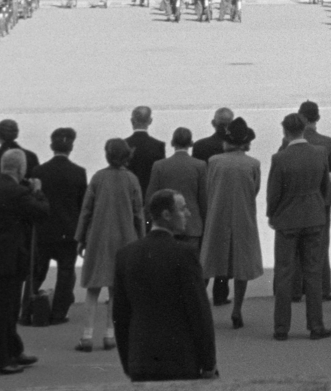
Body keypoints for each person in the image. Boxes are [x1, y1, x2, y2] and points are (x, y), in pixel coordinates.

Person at [111, 190, 219, 381]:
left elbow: (120, 315)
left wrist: (127, 362)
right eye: (183, 209)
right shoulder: (184, 254)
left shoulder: (125, 255)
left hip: (140, 358)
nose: (188, 214)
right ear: (167, 215)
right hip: (180, 358)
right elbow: (199, 312)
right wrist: (209, 362)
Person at [0, 149, 49, 377]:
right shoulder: (17, 192)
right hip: (8, 261)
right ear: (20, 168)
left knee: (6, 309)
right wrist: (38, 192)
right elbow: (42, 212)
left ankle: (13, 351)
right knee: (3, 312)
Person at [266, 112, 331, 341]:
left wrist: (272, 214)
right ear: (304, 128)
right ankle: (316, 325)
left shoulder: (280, 158)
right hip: (314, 217)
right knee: (313, 273)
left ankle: (281, 327)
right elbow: (326, 186)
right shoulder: (320, 153)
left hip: (287, 219)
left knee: (284, 273)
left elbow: (273, 193)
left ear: (285, 131)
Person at [74, 138, 144, 352]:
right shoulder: (131, 179)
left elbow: (86, 210)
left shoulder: (98, 178)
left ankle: (86, 336)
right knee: (117, 290)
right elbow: (138, 214)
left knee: (93, 288)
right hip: (124, 237)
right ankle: (110, 335)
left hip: (98, 237)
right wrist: (142, 239)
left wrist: (80, 238)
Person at [198, 117, 264, 331]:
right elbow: (255, 190)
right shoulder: (253, 164)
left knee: (209, 261)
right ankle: (237, 309)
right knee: (242, 265)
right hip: (243, 215)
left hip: (218, 215)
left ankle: (200, 308)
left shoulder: (214, 161)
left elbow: (208, 188)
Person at [284, 100, 331, 304]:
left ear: (302, 117)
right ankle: (323, 288)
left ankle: (296, 289)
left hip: (295, 198)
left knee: (296, 243)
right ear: (317, 117)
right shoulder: (327, 142)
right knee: (320, 243)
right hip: (322, 199)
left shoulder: (288, 140)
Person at [33, 128, 87, 326]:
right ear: (71, 147)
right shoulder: (79, 173)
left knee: (37, 271)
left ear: (51, 146)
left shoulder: (39, 171)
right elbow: (82, 206)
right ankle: (58, 313)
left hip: (44, 230)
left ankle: (28, 309)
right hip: (68, 230)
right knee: (66, 273)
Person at [190, 107, 234, 307]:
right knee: (224, 248)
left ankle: (200, 290)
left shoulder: (200, 146)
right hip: (227, 201)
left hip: (206, 201)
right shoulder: (234, 148)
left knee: (205, 248)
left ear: (213, 123)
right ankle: (220, 293)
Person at [147, 128, 207, 246]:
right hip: (193, 226)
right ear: (191, 143)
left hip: (166, 225)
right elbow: (204, 199)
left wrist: (149, 223)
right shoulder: (200, 165)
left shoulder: (159, 166)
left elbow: (151, 197)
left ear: (172, 143)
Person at [124, 107, 166, 197]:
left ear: (132, 121)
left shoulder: (124, 144)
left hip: (127, 195)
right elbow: (160, 175)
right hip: (151, 196)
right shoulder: (158, 146)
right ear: (150, 121)